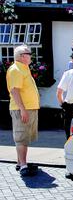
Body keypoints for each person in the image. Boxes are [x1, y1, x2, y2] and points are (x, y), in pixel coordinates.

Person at [6, 45, 40, 177]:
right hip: (22, 108)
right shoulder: (16, 69)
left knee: (24, 137)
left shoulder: (23, 68)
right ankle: (24, 166)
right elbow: (14, 91)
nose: (31, 55)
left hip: (29, 108)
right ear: (22, 56)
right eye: (29, 53)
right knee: (21, 137)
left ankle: (20, 162)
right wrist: (23, 110)